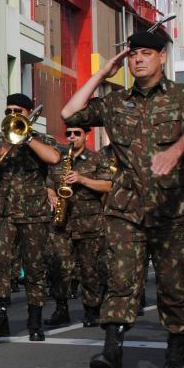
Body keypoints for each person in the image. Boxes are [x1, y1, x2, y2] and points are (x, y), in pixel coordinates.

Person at [62, 31, 184, 368]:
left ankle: (175, 353)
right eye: (132, 54)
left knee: (174, 283)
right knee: (121, 279)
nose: (138, 59)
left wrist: (174, 152)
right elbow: (70, 112)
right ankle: (112, 351)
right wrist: (102, 74)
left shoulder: (181, 95)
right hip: (126, 205)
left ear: (162, 57)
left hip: (174, 207)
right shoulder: (115, 103)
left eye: (146, 53)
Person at [0, 93, 61, 342]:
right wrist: (4, 148)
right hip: (2, 212)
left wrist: (27, 137)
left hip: (33, 212)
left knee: (35, 268)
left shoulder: (41, 139)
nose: (11, 115)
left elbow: (54, 158)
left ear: (28, 113)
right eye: (8, 111)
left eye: (17, 111)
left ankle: (35, 321)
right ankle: (0, 318)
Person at [47, 126, 113, 328]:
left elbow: (108, 185)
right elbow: (49, 182)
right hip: (62, 223)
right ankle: (61, 309)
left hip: (89, 222)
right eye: (68, 134)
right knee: (59, 267)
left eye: (77, 133)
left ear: (86, 135)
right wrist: (51, 194)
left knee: (89, 269)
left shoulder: (96, 158)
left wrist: (82, 179)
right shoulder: (58, 158)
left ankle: (92, 310)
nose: (72, 137)